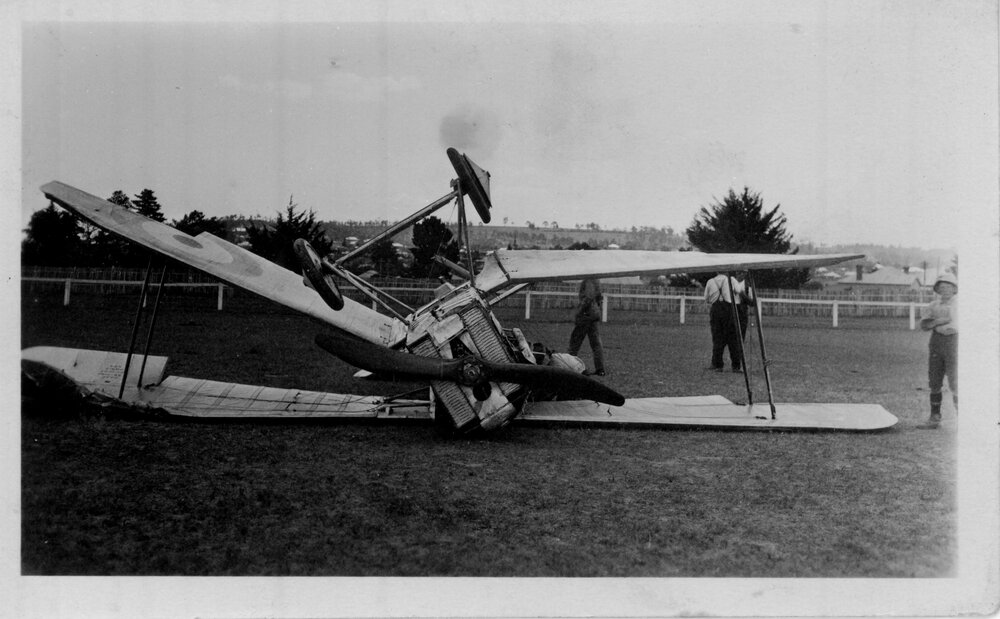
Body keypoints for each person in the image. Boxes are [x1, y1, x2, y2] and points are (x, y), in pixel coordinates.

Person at [917, 272, 957, 429]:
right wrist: (940, 321)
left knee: (956, 381)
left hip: (955, 342)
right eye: (942, 287)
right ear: (937, 290)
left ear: (955, 289)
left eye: (949, 287)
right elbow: (924, 326)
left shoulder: (962, 304)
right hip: (937, 342)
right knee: (934, 380)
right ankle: (935, 417)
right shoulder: (933, 306)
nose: (945, 290)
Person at [704, 271, 751, 372]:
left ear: (716, 271)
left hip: (716, 310)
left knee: (717, 338)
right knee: (733, 339)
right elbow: (740, 292)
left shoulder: (710, 281)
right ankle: (736, 366)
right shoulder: (732, 280)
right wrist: (751, 302)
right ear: (726, 271)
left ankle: (718, 365)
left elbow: (706, 299)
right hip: (729, 311)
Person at [568, 278, 606, 376]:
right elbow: (598, 298)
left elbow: (588, 298)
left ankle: (569, 364)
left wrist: (578, 312)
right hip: (594, 314)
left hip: (586, 315)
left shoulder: (588, 281)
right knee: (596, 343)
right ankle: (600, 368)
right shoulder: (596, 280)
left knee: (575, 341)